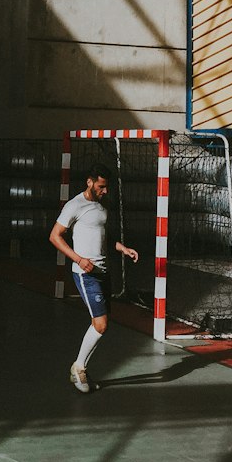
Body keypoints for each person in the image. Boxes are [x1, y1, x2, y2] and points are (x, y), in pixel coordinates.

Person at [48, 163, 139, 393]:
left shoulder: (101, 207)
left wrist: (122, 248)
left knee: (101, 326)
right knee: (101, 324)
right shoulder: (74, 205)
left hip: (103, 271)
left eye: (107, 187)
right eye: (101, 186)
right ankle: (78, 368)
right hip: (85, 273)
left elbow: (103, 238)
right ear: (89, 182)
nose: (105, 191)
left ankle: (83, 368)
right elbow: (55, 236)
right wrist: (78, 259)